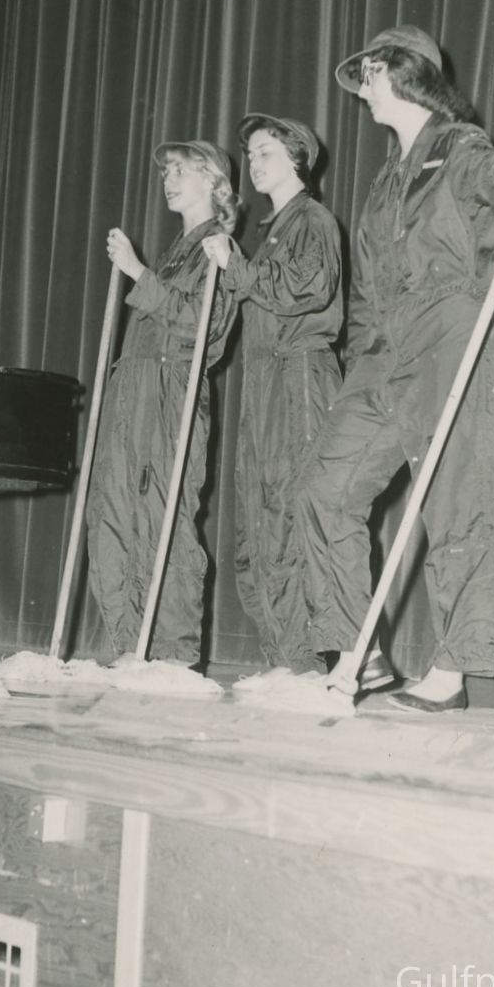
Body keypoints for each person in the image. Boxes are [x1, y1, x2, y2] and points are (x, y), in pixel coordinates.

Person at [294, 26, 494, 710]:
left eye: (372, 76)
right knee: (323, 491)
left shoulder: (457, 148)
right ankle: (358, 654)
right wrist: (360, 365)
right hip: (382, 353)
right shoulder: (384, 181)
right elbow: (365, 293)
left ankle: (452, 669)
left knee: (457, 501)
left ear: (407, 74)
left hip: (452, 333)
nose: (364, 93)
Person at [86, 140, 240, 666]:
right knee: (113, 512)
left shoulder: (218, 248)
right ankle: (132, 643)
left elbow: (204, 328)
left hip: (171, 392)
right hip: (134, 390)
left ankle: (172, 653)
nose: (167, 180)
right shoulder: (178, 249)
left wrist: (138, 273)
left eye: (180, 170)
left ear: (212, 180)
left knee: (162, 517)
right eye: (165, 172)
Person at [200, 114, 342, 675]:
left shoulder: (313, 220)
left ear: (297, 159)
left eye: (266, 153)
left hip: (299, 377)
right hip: (263, 382)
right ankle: (284, 658)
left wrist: (236, 266)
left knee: (289, 513)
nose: (254, 164)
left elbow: (310, 288)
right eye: (251, 155)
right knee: (258, 521)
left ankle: (305, 662)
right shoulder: (270, 232)